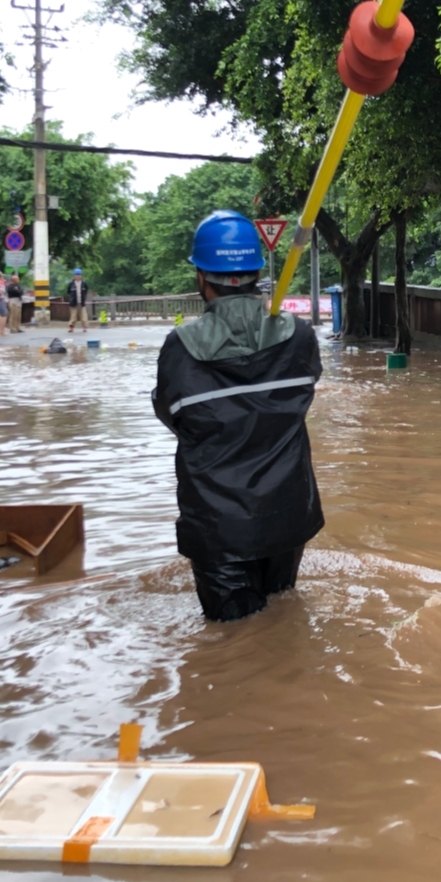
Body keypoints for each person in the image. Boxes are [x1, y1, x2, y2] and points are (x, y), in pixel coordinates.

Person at [152, 210, 324, 622]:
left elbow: (172, 416)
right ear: (255, 273)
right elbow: (300, 397)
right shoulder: (299, 337)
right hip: (287, 515)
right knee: (281, 624)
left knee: (234, 642)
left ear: (201, 277)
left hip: (219, 524)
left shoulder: (180, 348)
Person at [67, 268, 89, 333]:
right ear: (74, 276)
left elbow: (86, 291)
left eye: (79, 275)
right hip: (73, 302)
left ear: (81, 276)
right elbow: (68, 292)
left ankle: (85, 327)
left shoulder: (84, 283)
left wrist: (84, 299)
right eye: (76, 275)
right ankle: (71, 327)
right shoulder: (71, 284)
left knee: (84, 316)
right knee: (73, 317)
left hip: (82, 302)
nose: (78, 276)